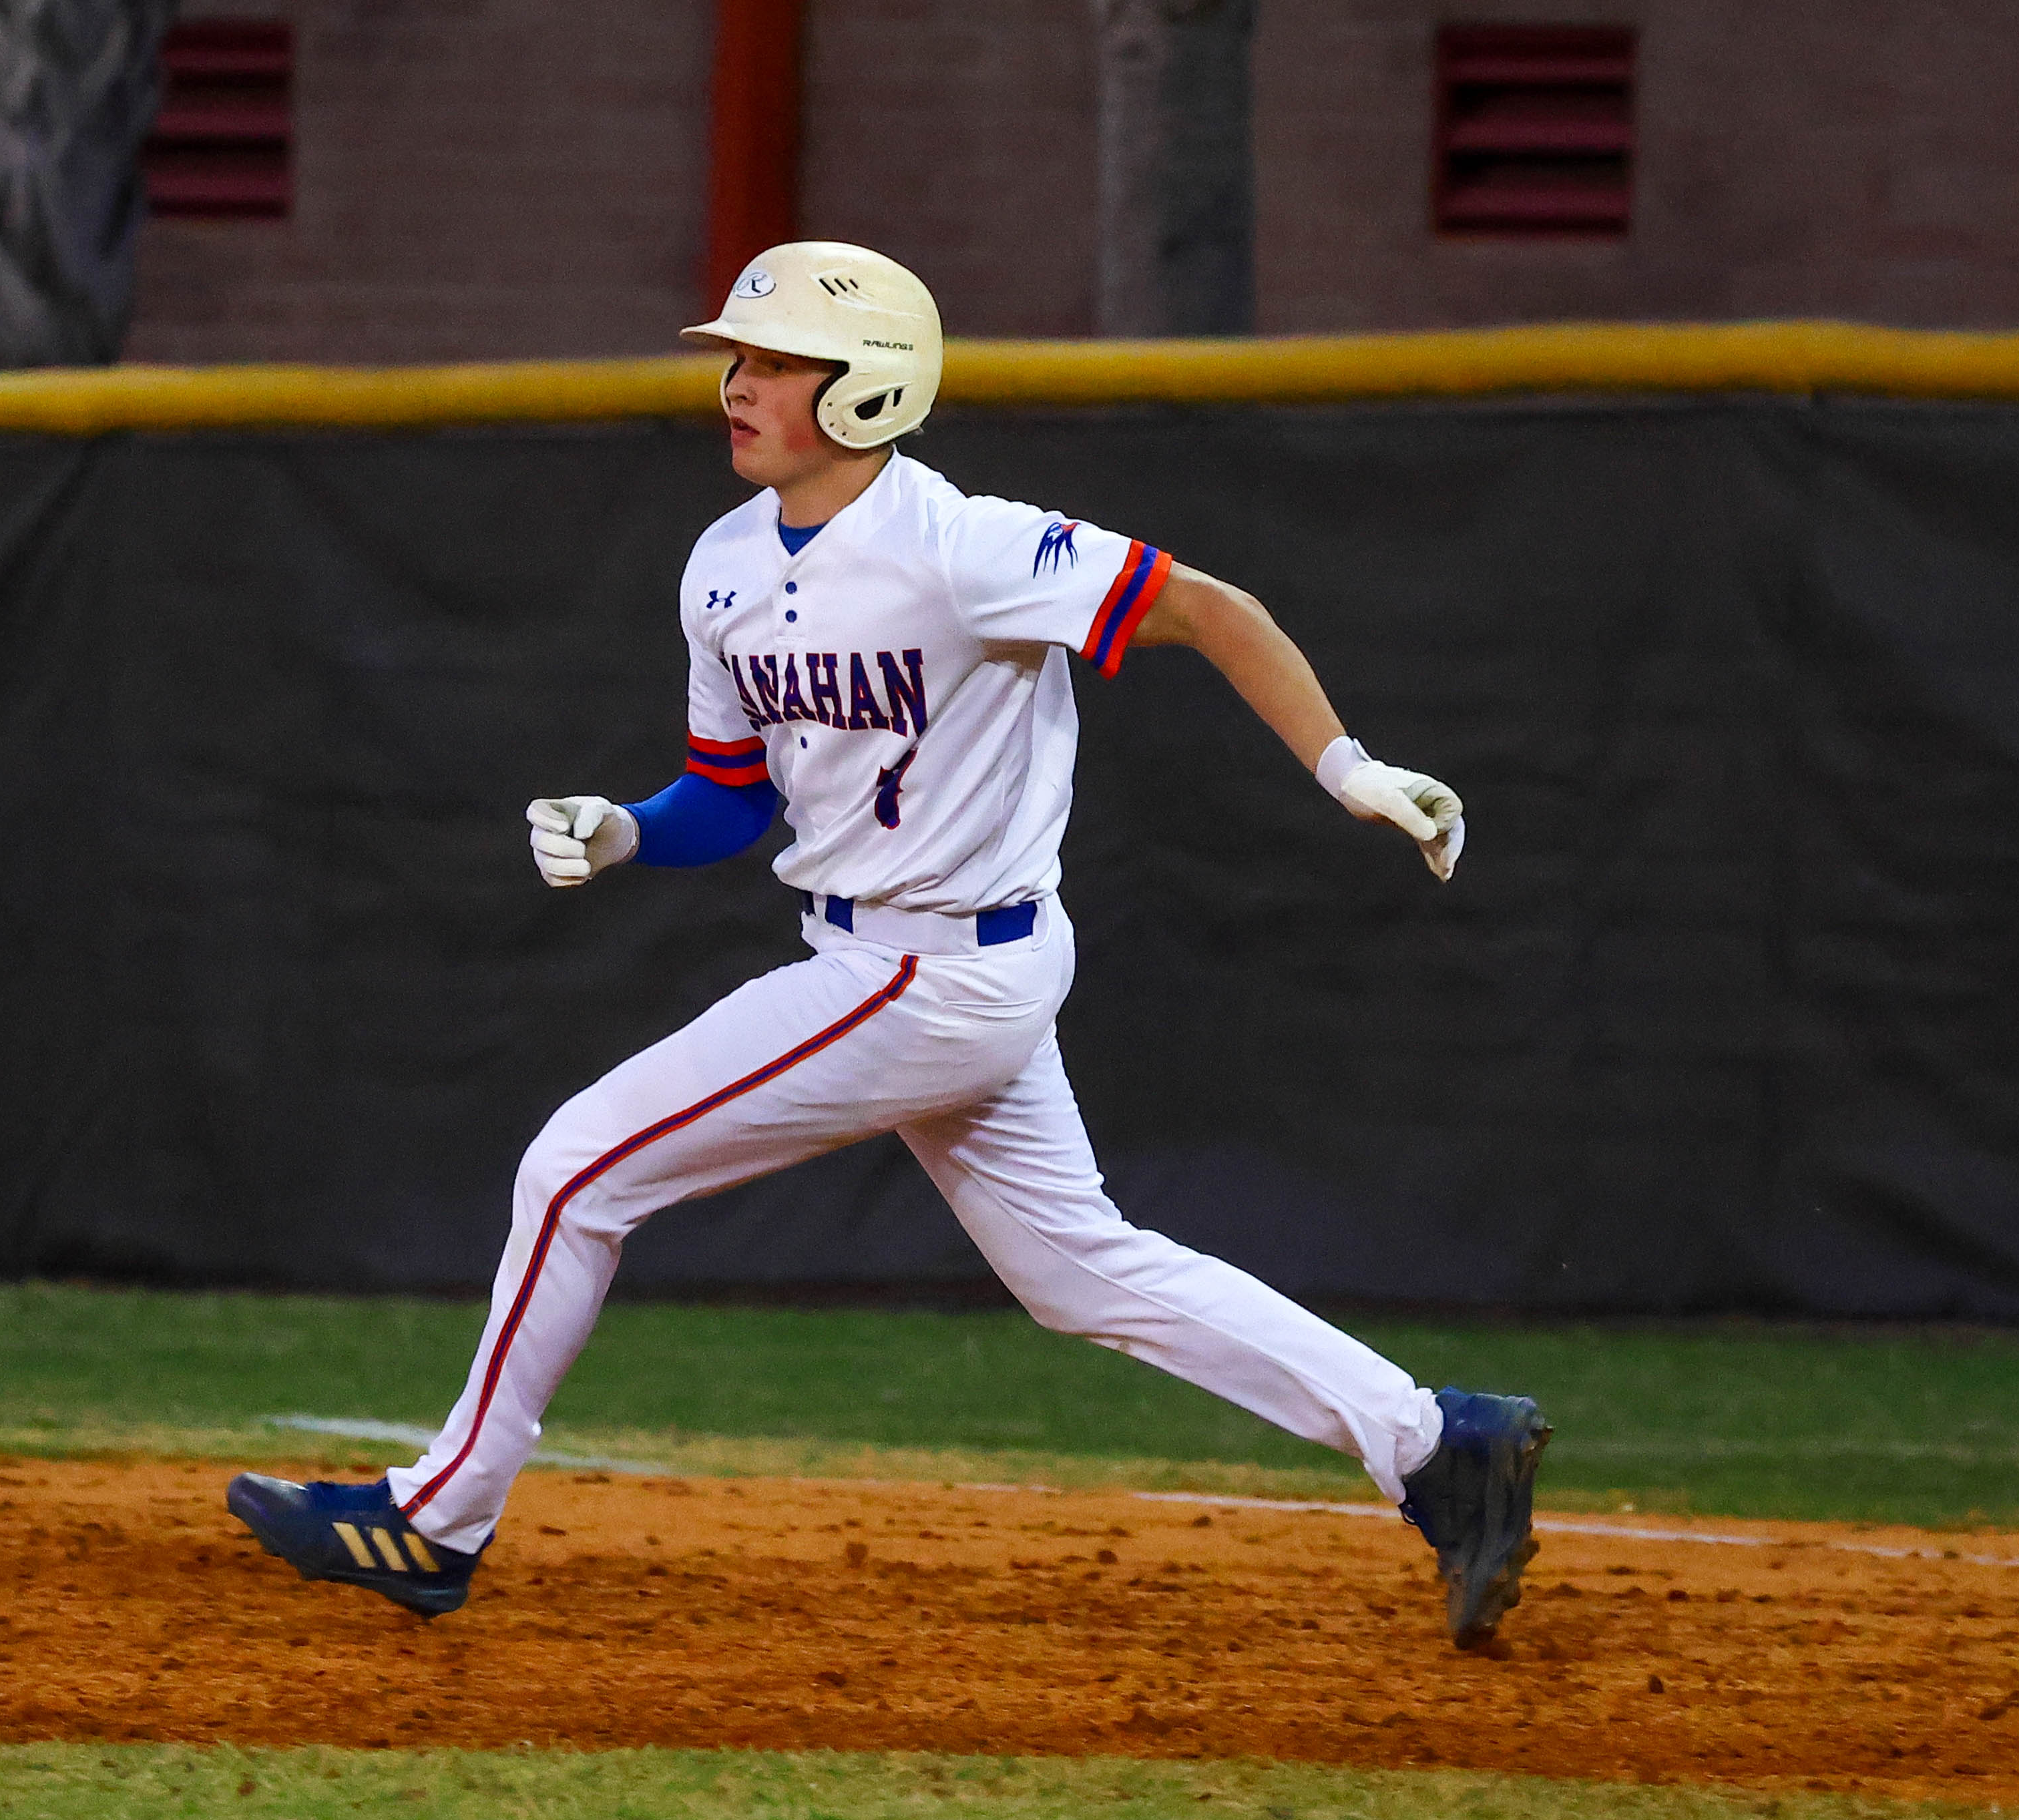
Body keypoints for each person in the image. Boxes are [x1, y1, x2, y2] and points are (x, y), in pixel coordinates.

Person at [228, 242, 1550, 1650]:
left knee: (572, 1169)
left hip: (930, 968)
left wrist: (1345, 767)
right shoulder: (724, 565)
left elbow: (1208, 608)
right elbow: (728, 793)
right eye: (736, 357)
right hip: (915, 966)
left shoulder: (967, 547)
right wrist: (621, 827)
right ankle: (1434, 1443)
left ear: (866, 391)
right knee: (1081, 1271)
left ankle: (436, 1519)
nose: (736, 385)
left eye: (776, 362)